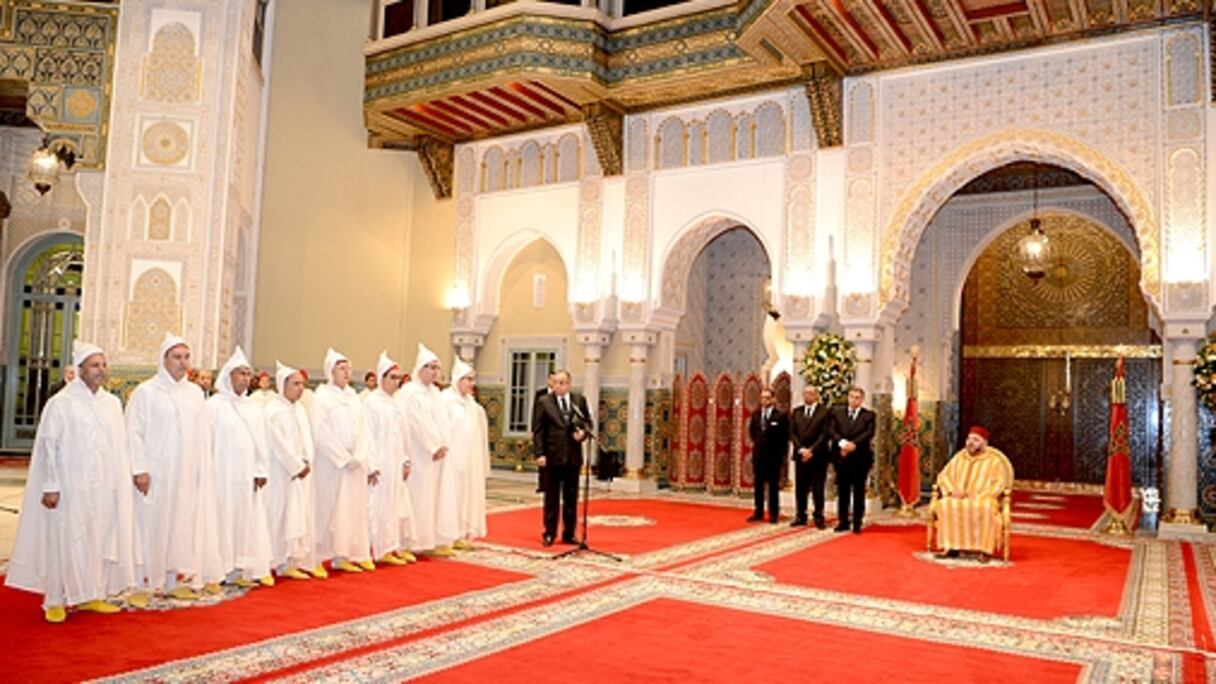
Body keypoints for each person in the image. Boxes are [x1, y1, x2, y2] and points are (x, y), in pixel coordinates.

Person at [6, 341, 143, 623]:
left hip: (104, 487)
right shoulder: (61, 404)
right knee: (64, 540)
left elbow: (119, 445)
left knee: (100, 538)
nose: (101, 371)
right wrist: (50, 485)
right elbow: (48, 446)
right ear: (79, 369)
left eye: (104, 365)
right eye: (94, 365)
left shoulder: (112, 403)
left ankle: (92, 594)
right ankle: (54, 599)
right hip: (70, 486)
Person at [126, 332, 223, 600]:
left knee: (180, 524)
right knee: (151, 526)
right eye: (177, 357)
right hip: (155, 474)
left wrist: (203, 468)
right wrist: (139, 468)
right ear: (164, 359)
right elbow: (133, 432)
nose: (183, 363)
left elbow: (203, 435)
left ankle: (171, 581)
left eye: (186, 357)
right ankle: (144, 584)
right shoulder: (147, 391)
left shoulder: (193, 393)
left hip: (185, 474)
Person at [206, 347, 275, 588]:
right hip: (221, 473)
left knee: (243, 520)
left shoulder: (254, 408)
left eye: (248, 374)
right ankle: (216, 571)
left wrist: (260, 470)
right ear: (228, 376)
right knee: (220, 519)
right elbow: (207, 441)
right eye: (240, 373)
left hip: (246, 475)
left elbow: (260, 443)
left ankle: (237, 569)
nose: (245, 378)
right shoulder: (214, 405)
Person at [310, 348, 374, 573]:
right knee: (326, 508)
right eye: (342, 368)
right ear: (330, 371)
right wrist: (342, 457)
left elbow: (364, 430)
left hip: (354, 465)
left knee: (350, 510)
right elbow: (320, 431)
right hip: (331, 465)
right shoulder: (321, 398)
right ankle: (316, 557)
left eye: (349, 368)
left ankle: (343, 554)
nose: (347, 372)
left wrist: (359, 455)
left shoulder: (353, 397)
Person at [264, 362, 322, 580]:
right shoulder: (272, 410)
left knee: (295, 517)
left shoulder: (300, 410)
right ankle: (270, 562)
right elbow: (276, 443)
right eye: (296, 384)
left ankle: (289, 562)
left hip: (301, 474)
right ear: (282, 385)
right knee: (277, 515)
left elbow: (308, 441)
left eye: (303, 384)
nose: (301, 388)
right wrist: (295, 465)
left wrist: (306, 462)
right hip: (281, 473)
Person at [401, 343, 458, 556]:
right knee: (418, 497)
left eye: (437, 368)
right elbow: (418, 423)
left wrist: (443, 444)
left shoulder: (434, 392)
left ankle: (429, 540)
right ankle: (412, 543)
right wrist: (433, 445)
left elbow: (443, 422)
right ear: (420, 369)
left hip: (436, 455)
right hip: (419, 453)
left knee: (433, 497)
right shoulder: (411, 393)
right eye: (431, 367)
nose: (435, 372)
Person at [363, 351, 417, 565]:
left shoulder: (398, 403)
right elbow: (367, 437)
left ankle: (392, 546)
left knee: (396, 505)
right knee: (378, 506)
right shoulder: (371, 403)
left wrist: (405, 460)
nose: (396, 382)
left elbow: (403, 436)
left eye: (399, 378)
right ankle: (376, 548)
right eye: (392, 378)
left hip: (395, 463)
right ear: (381, 378)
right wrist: (372, 465)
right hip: (380, 465)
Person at [932, 426, 1012, 563]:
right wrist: (952, 491)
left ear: (984, 443)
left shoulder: (994, 461)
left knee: (985, 508)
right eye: (969, 439)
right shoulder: (959, 457)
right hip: (957, 497)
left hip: (983, 498)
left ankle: (985, 550)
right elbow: (944, 475)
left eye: (975, 440)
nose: (970, 442)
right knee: (945, 505)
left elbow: (999, 483)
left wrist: (979, 495)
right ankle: (952, 547)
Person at [531, 369, 591, 546]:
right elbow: (538, 430)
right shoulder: (544, 402)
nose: (558, 385)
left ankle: (569, 533)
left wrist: (583, 434)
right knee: (551, 497)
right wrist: (539, 453)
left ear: (569, 384)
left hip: (573, 457)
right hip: (552, 456)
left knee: (571, 497)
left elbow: (588, 423)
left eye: (562, 382)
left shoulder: (579, 401)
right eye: (555, 382)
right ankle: (549, 532)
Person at [443, 358, 489, 549]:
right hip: (451, 460)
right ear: (457, 380)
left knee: (466, 495)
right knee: (451, 495)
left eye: (473, 379)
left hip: (469, 460)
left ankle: (461, 532)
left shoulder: (473, 406)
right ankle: (447, 534)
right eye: (468, 379)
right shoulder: (445, 401)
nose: (472, 384)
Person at [829, 386, 876, 534]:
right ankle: (843, 521)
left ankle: (857, 522)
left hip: (860, 458)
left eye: (857, 397)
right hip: (841, 458)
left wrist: (853, 445)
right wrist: (842, 443)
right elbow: (832, 430)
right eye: (851, 397)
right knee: (843, 491)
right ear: (847, 398)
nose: (854, 400)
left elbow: (869, 433)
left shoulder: (868, 415)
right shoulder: (837, 412)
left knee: (858, 491)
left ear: (862, 399)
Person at [790, 385, 831, 529]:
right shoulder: (796, 412)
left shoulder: (824, 412)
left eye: (811, 394)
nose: (808, 396)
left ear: (816, 395)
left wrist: (811, 450)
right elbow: (793, 433)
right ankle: (800, 515)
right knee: (800, 488)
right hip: (800, 456)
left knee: (818, 488)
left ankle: (818, 516)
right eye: (805, 393)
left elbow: (825, 434)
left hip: (818, 456)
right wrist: (801, 449)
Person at [746, 388, 788, 524]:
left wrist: (782, 456)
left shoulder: (780, 416)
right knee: (758, 484)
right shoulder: (756, 415)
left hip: (774, 456)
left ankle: (773, 513)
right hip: (759, 456)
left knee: (773, 486)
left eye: (767, 398)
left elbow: (784, 438)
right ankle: (758, 511)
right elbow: (752, 433)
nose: (764, 401)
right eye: (762, 398)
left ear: (773, 399)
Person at [532, 373, 556, 493]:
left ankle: (552, 484)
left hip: (554, 433)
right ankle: (542, 484)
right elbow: (535, 413)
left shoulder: (558, 395)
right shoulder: (540, 394)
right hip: (542, 430)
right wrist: (534, 429)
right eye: (551, 379)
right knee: (541, 458)